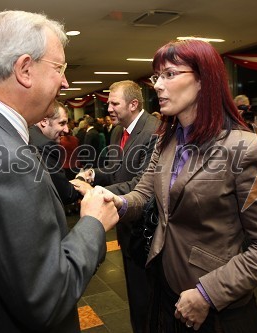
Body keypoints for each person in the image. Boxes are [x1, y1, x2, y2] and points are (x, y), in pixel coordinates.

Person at [0, 11, 119, 333]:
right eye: (58, 68)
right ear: (24, 69)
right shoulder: (7, 160)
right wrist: (92, 224)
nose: (65, 81)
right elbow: (46, 298)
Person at [102, 40, 257, 332]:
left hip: (216, 308)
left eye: (170, 74)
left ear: (204, 79)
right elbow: (144, 192)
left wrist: (207, 294)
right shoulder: (166, 140)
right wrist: (119, 203)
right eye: (157, 76)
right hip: (164, 287)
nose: (158, 86)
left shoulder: (249, 148)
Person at [74, 80, 160, 333]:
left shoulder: (154, 131)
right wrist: (93, 175)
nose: (108, 108)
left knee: (149, 294)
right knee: (136, 292)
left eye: (114, 103)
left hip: (148, 228)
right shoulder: (116, 131)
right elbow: (115, 170)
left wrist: (96, 192)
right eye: (108, 103)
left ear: (133, 104)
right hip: (126, 224)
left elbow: (140, 184)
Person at [29, 100, 81, 205]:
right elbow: (66, 194)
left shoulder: (30, 133)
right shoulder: (45, 145)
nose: (66, 130)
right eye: (62, 123)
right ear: (44, 121)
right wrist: (81, 180)